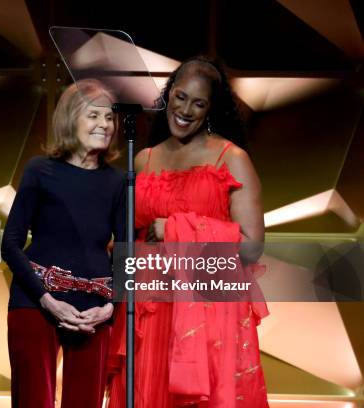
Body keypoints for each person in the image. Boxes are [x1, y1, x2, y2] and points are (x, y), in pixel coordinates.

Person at [106, 56, 269, 407]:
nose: (186, 110)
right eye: (180, 97)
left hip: (204, 306)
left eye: (199, 103)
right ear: (169, 96)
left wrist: (176, 229)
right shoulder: (143, 159)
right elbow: (127, 235)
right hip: (148, 307)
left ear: (211, 109)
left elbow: (252, 247)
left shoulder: (231, 157)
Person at [1, 79, 126, 408]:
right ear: (70, 118)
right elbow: (11, 244)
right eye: (94, 115)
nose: (104, 124)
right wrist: (47, 300)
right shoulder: (40, 170)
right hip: (35, 302)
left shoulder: (118, 181)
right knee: (32, 401)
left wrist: (110, 309)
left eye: (110, 117)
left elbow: (127, 254)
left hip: (94, 311)